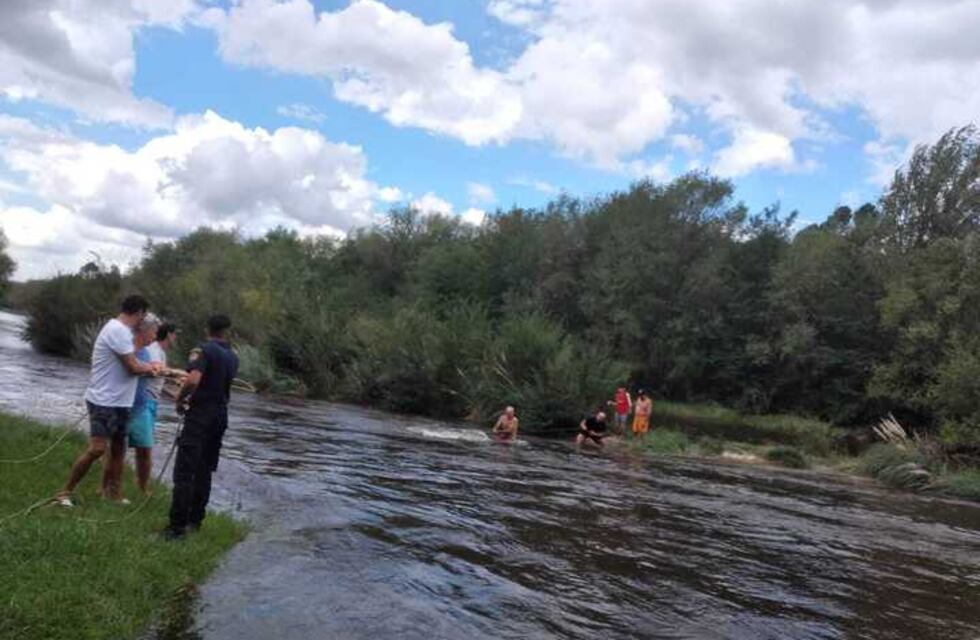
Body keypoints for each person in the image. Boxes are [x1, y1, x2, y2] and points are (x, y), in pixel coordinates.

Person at [55, 295, 160, 507]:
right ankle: (64, 492)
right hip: (104, 400)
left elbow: (132, 363)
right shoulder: (118, 331)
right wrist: (151, 368)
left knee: (119, 449)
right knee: (98, 449)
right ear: (138, 312)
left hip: (121, 401)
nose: (143, 321)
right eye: (143, 316)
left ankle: (114, 494)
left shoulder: (122, 331)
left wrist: (153, 367)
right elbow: (132, 367)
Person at [165, 315, 239, 539]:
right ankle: (195, 522)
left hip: (200, 416)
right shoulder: (233, 356)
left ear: (207, 328)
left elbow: (194, 379)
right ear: (226, 331)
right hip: (220, 416)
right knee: (204, 470)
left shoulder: (203, 350)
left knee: (185, 472)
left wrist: (180, 398)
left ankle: (176, 528)